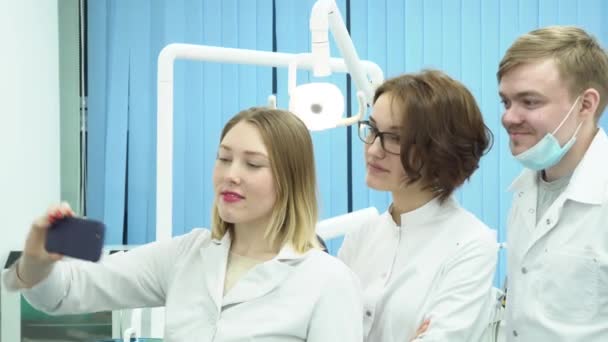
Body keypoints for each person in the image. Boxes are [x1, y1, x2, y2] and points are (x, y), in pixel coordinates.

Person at [3, 107, 364, 342]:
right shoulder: (187, 256)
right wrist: (38, 259)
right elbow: (67, 292)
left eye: (252, 164)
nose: (230, 175)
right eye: (224, 159)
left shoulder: (327, 281)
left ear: (291, 179)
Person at [338, 69, 498, 341]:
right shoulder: (362, 236)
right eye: (374, 129)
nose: (374, 149)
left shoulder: (472, 243)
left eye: (396, 138)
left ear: (441, 149)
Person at [498, 25, 608, 341]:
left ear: (586, 105)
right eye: (506, 102)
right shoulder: (526, 190)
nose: (508, 117)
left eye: (529, 102)